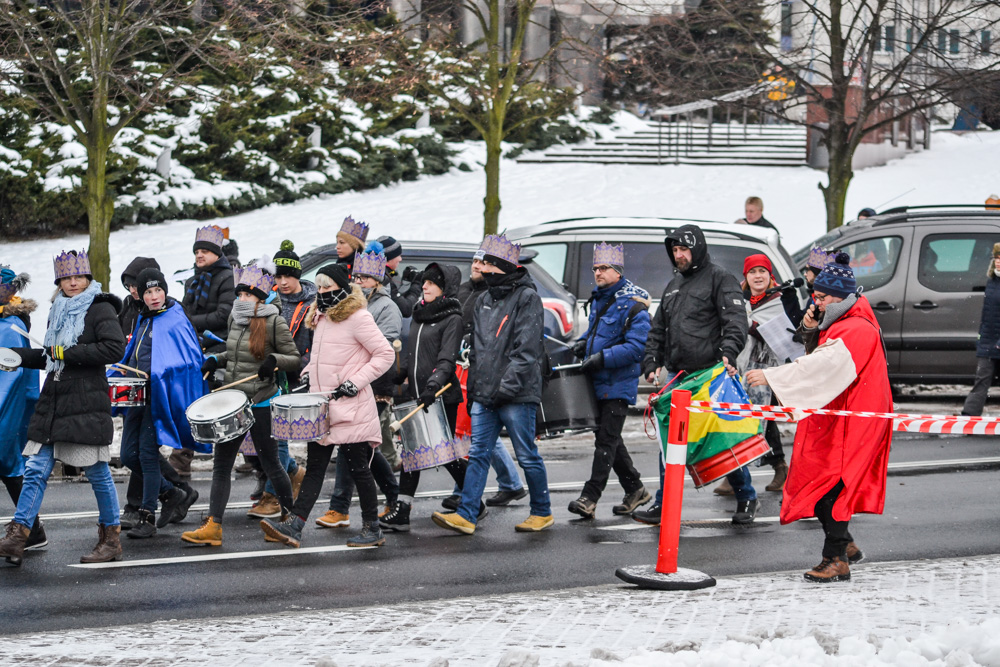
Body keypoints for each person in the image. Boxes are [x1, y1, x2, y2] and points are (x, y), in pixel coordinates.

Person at [746, 253, 891, 582]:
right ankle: (845, 546)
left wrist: (773, 376)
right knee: (823, 487)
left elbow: (821, 366)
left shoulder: (855, 329)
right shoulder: (842, 322)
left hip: (854, 424)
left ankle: (835, 558)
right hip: (840, 419)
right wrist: (810, 329)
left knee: (832, 491)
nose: (816, 301)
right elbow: (821, 358)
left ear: (840, 297)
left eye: (822, 297)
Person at [0, 250, 127, 566]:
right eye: (66, 278)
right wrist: (17, 357)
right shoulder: (57, 309)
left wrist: (67, 352)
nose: (73, 282)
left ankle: (111, 540)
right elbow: (49, 356)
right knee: (36, 471)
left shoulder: (99, 309)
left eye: (78, 277)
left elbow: (113, 348)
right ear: (60, 282)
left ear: (87, 278)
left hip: (85, 402)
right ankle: (18, 537)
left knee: (97, 473)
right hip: (55, 400)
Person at [261, 264, 394, 548]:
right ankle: (295, 526)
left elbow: (384, 354)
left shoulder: (359, 317)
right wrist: (308, 375)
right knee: (315, 469)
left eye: (327, 288)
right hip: (323, 408)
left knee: (360, 469)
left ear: (342, 288)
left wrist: (355, 382)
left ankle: (373, 528)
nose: (321, 293)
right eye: (319, 288)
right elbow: (321, 358)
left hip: (352, 407)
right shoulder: (321, 316)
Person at [636, 224, 758, 526]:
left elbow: (735, 321)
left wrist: (728, 352)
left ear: (697, 248)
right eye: (675, 251)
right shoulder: (674, 284)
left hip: (710, 374)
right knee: (670, 442)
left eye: (684, 250)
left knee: (721, 439)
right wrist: (651, 360)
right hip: (679, 378)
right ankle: (664, 504)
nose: (679, 256)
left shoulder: (721, 279)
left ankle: (746, 495)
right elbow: (658, 328)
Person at [432, 234, 552, 535]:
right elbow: (480, 349)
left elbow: (526, 352)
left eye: (487, 263)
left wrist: (505, 389)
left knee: (527, 455)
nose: (481, 268)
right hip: (486, 394)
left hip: (516, 394)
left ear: (499, 266)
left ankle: (542, 511)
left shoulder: (527, 298)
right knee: (479, 453)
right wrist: (477, 389)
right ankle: (467, 514)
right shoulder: (485, 298)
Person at [180, 259, 299, 547]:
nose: (241, 299)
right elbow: (232, 357)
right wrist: (215, 359)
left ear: (259, 296)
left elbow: (294, 358)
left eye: (247, 294)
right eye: (239, 294)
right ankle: (214, 527)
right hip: (232, 403)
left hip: (260, 402)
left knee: (271, 463)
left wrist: (273, 362)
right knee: (221, 465)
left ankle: (289, 519)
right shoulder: (235, 317)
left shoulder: (274, 321)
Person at [381, 262, 487, 531]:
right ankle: (403, 512)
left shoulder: (452, 318)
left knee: (444, 454)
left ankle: (475, 503)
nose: (424, 286)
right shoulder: (419, 314)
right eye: (424, 282)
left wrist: (433, 385)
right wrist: (398, 373)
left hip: (440, 396)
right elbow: (412, 353)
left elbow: (446, 361)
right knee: (414, 450)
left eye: (431, 283)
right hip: (419, 394)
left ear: (444, 288)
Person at [113, 268, 205, 538]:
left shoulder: (174, 319)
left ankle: (147, 516)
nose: (154, 296)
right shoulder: (144, 318)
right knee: (129, 455)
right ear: (140, 296)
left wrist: (159, 377)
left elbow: (189, 361)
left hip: (159, 399)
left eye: (158, 290)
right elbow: (134, 356)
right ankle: (171, 492)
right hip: (137, 397)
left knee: (147, 456)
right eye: (148, 292)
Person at [315, 244, 401, 528]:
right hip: (350, 385)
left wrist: (356, 377)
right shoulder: (341, 305)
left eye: (365, 277)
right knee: (363, 452)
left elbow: (382, 348)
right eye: (356, 276)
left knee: (355, 450)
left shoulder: (385, 307)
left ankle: (342, 507)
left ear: (377, 280)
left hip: (372, 383)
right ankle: (392, 494)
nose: (358, 281)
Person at [567, 243, 652, 519]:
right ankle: (636, 488)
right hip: (598, 381)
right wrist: (582, 345)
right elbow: (595, 333)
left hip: (619, 383)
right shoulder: (601, 299)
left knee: (606, 440)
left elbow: (637, 348)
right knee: (609, 440)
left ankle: (589, 497)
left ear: (617, 272)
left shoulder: (634, 306)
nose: (598, 273)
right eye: (595, 268)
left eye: (603, 268)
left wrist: (602, 358)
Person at [455, 248, 527, 509]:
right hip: (466, 364)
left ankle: (465, 494)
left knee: (476, 433)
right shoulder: (464, 290)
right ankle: (506, 484)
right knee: (476, 433)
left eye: (483, 262)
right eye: (475, 261)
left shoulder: (495, 293)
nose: (478, 266)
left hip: (487, 368)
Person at [173, 225, 236, 478]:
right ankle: (182, 457)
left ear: (216, 253)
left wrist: (192, 322)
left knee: (215, 403)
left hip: (220, 346)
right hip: (195, 346)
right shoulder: (192, 280)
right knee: (191, 399)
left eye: (204, 251)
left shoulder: (228, 277)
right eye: (197, 251)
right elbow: (185, 313)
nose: (199, 255)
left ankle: (244, 457)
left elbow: (225, 315)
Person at [727, 254, 789, 493]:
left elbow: (783, 337)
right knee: (741, 415)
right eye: (753, 272)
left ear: (770, 275)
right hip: (740, 367)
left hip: (768, 368)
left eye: (762, 271)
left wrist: (753, 327)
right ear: (746, 277)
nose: (758, 276)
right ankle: (738, 470)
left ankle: (776, 465)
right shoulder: (740, 301)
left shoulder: (779, 301)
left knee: (761, 417)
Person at [0, 268, 45, 555]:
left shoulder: (10, 324)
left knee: (7, 461)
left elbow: (11, 373)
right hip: (11, 401)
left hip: (9, 404)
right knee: (7, 463)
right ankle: (33, 529)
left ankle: (31, 530)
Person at [961, 243, 1000, 417]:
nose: (998, 262)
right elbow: (987, 314)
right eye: (996, 258)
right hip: (989, 340)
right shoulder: (992, 281)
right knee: (981, 380)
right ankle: (969, 417)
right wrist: (981, 337)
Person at [376, 235, 422, 318]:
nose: (400, 259)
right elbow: (405, 309)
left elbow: (396, 298)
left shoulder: (380, 274)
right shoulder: (382, 279)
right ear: (389, 258)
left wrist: (406, 282)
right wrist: (417, 285)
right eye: (398, 255)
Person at [119, 257, 160, 338]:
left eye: (135, 285)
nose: (131, 291)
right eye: (128, 286)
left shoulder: (165, 307)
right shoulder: (128, 303)